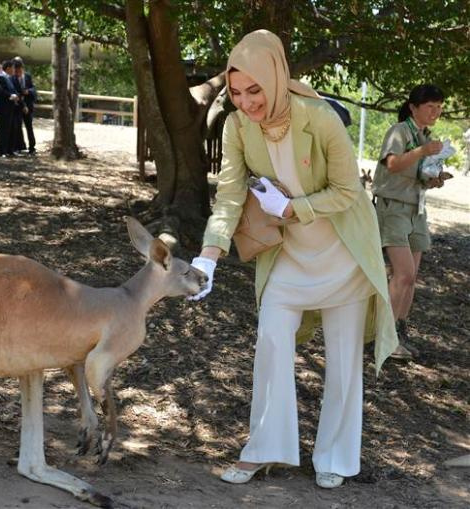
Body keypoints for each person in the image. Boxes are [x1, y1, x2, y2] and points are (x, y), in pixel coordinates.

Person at [189, 30, 397, 489]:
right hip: (290, 255)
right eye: (237, 92)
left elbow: (347, 192)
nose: (246, 102)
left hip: (343, 250)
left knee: (344, 359)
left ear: (277, 77)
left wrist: (293, 209)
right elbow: (228, 196)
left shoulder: (319, 118)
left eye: (255, 90)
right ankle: (265, 449)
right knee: (272, 340)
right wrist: (209, 257)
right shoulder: (238, 126)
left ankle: (336, 458)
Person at [371, 85, 448, 359]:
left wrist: (435, 178)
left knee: (411, 277)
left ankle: (398, 331)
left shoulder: (426, 136)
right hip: (394, 208)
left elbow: (417, 174)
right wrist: (423, 151)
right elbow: (391, 164)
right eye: (430, 106)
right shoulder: (400, 131)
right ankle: (384, 337)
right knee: (402, 273)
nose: (435, 111)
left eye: (439, 106)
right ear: (413, 107)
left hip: (417, 208)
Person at [0, 60, 20, 158]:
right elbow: (0, 91)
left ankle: (9, 149)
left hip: (11, 107)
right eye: (13, 68)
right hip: (3, 108)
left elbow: (13, 90)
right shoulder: (1, 77)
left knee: (11, 128)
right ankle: (1, 151)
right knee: (3, 129)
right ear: (8, 68)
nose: (14, 70)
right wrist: (10, 95)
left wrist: (16, 96)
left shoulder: (10, 78)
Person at [13, 57, 37, 155]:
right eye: (17, 69)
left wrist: (28, 92)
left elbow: (33, 89)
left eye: (20, 69)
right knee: (17, 127)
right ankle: (19, 146)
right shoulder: (13, 78)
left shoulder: (27, 76)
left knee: (29, 127)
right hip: (18, 106)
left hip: (28, 105)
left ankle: (32, 147)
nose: (18, 71)